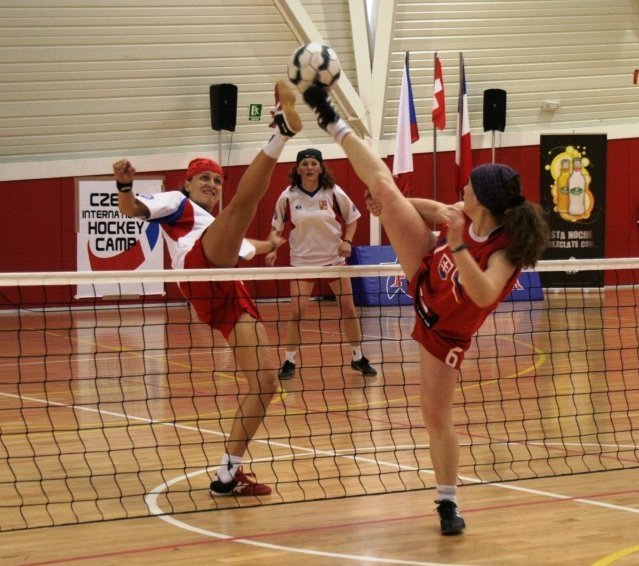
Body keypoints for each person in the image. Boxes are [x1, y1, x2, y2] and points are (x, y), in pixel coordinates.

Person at [300, 84, 549, 535]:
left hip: (445, 332)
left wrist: (455, 240)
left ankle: (447, 503)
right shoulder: (466, 214)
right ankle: (331, 119)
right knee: (386, 188)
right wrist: (388, 207)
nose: (462, 191)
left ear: (486, 203)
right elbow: (427, 208)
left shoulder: (504, 248)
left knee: (435, 415)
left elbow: (484, 294)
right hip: (424, 274)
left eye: (469, 189)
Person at [112, 80, 302, 497]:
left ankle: (226, 475)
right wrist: (125, 185)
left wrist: (271, 245)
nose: (211, 185)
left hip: (228, 291)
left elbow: (249, 246)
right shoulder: (177, 205)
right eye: (203, 178)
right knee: (243, 208)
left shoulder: (222, 230)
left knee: (266, 384)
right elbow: (130, 209)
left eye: (217, 180)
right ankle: (281, 132)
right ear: (187, 183)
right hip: (202, 268)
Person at [265, 148, 377, 380]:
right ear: (297, 168)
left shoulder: (333, 192)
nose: (309, 168)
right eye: (304, 164)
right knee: (296, 313)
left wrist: (347, 241)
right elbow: (277, 228)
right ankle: (289, 361)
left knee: (349, 309)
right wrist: (273, 248)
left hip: (333, 260)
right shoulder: (288, 196)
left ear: (320, 167)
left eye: (313, 163)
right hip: (302, 262)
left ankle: (358, 357)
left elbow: (353, 218)